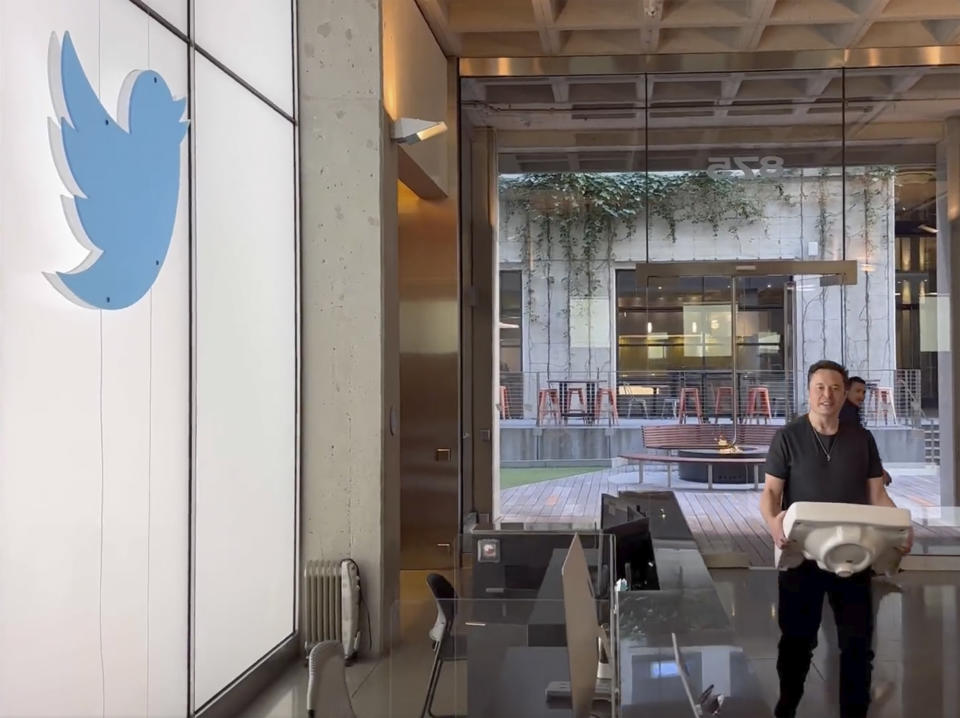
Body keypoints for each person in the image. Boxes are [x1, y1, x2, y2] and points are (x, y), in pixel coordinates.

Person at [759, 360, 913, 718]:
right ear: (809, 391)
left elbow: (877, 495)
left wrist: (901, 526)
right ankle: (787, 706)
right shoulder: (788, 436)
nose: (826, 395)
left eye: (834, 388)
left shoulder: (862, 438)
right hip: (802, 557)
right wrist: (772, 522)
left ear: (845, 394)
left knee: (858, 646)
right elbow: (770, 492)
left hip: (855, 556)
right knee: (797, 643)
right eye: (819, 387)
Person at [840, 376, 892, 486]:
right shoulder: (845, 414)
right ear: (846, 391)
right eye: (858, 391)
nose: (861, 396)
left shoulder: (852, 412)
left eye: (864, 392)